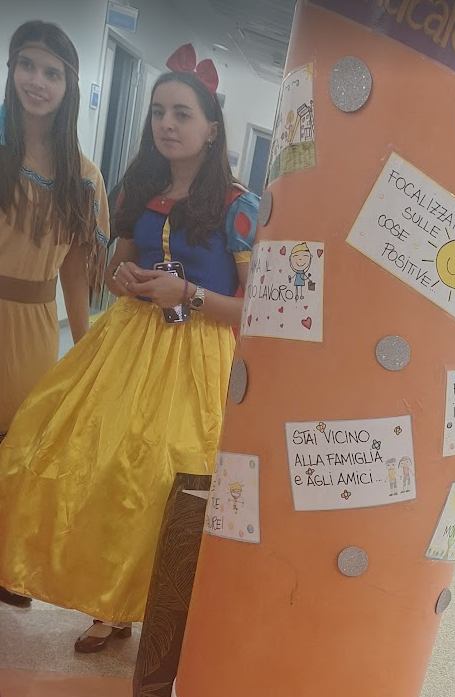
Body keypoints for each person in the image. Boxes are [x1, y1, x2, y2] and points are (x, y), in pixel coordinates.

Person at [0, 44, 258, 651]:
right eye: (158, 112)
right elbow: (117, 267)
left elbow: (257, 308)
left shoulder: (237, 206)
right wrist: (123, 278)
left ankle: (154, 609)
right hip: (126, 345)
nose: (167, 124)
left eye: (182, 114)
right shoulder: (139, 187)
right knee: (88, 459)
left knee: (166, 479)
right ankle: (108, 601)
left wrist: (189, 294)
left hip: (195, 360)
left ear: (212, 129)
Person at [0, 21, 108, 609]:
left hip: (35, 326)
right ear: (11, 70)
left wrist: (85, 346)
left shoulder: (83, 177)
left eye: (51, 72)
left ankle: (4, 564)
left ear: (69, 86)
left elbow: (74, 267)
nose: (36, 81)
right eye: (26, 66)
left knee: (18, 448)